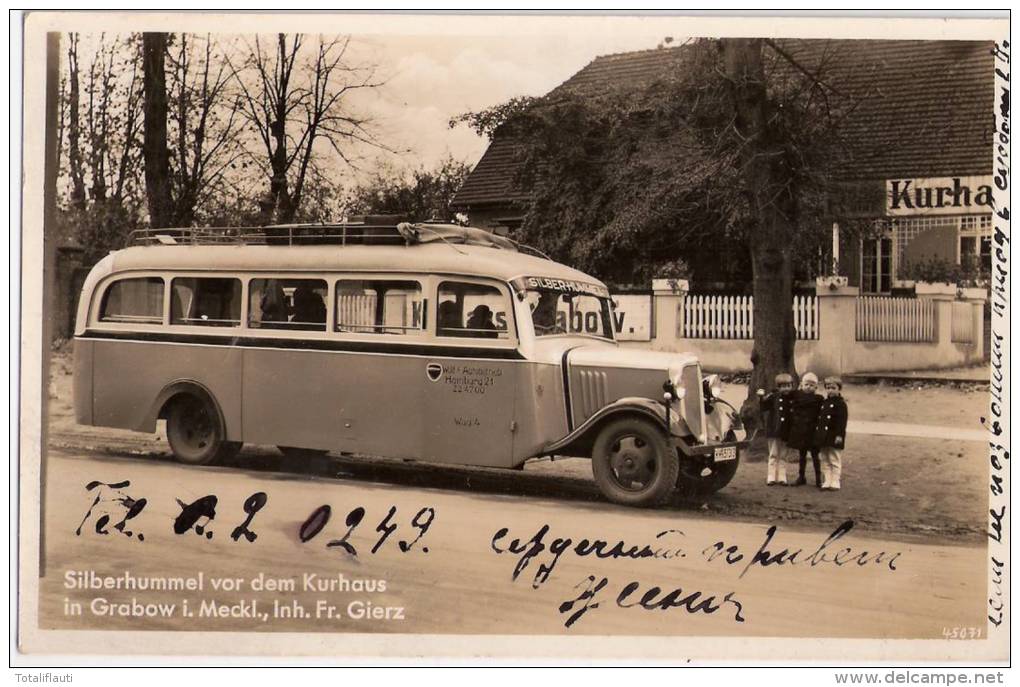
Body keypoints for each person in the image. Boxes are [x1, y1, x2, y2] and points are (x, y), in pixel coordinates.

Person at [757, 372, 795, 486]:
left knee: (783, 455)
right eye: (783, 386)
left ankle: (782, 476)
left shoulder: (793, 398)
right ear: (778, 387)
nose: (786, 389)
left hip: (786, 431)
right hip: (774, 430)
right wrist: (761, 398)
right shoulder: (773, 397)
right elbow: (764, 407)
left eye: (788, 386)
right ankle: (771, 476)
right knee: (773, 454)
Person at [788, 372, 823, 488]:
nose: (809, 387)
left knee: (814, 455)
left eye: (812, 385)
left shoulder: (819, 399)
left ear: (816, 387)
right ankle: (801, 476)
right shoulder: (797, 395)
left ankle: (818, 478)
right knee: (802, 455)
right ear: (802, 385)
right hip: (801, 431)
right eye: (806, 384)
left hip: (812, 431)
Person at [815, 376, 849, 491]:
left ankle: (835, 481)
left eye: (833, 388)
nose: (830, 390)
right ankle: (827, 480)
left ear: (839, 389)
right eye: (828, 388)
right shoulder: (824, 403)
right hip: (824, 436)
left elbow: (842, 422)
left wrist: (839, 435)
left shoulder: (841, 404)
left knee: (834, 458)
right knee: (824, 458)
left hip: (834, 436)